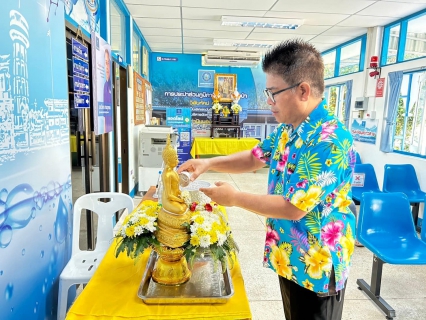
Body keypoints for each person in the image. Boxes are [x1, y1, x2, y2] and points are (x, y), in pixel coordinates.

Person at [178, 39, 356, 320]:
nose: (268, 102)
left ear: (303, 90)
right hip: (289, 254)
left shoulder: (330, 140)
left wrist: (235, 198)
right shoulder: (290, 129)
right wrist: (208, 162)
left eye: (273, 93)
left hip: (316, 264)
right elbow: (255, 157)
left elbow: (293, 207)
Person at [103, 48, 113, 132]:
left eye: (108, 63)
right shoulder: (104, 86)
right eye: (105, 63)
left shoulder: (110, 85)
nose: (106, 67)